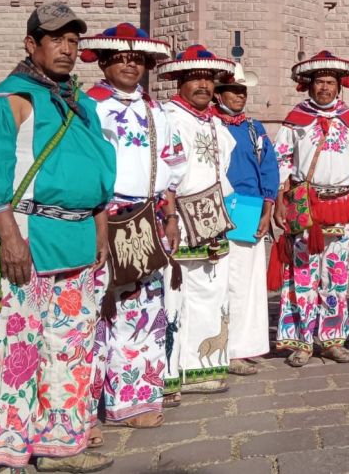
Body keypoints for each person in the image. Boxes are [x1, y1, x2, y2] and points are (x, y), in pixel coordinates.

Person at [0, 2, 116, 473]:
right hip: (30, 239)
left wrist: (101, 229)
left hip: (79, 238)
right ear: (32, 44)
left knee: (71, 345)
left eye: (73, 41)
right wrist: (9, 237)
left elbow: (100, 170)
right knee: (19, 347)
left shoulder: (82, 105)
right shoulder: (11, 98)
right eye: (56, 39)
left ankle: (59, 445)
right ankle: (8, 452)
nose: (67, 49)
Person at [79, 23, 181, 439]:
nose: (129, 65)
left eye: (136, 59)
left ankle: (134, 400)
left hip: (148, 219)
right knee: (96, 313)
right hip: (103, 218)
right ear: (104, 62)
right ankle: (84, 411)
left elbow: (171, 165)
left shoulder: (158, 111)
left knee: (143, 312)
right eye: (120, 58)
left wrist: (171, 216)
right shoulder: (89, 106)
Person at [273, 52, 349, 367]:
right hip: (306, 205)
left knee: (336, 275)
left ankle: (332, 339)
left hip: (340, 205)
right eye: (319, 82)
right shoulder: (295, 120)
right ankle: (302, 341)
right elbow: (281, 160)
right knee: (302, 275)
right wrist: (278, 201)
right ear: (309, 85)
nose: (325, 88)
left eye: (330, 82)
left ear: (339, 86)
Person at [156, 45, 237, 401]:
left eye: (208, 79)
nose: (203, 85)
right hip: (178, 217)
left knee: (210, 291)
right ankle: (168, 373)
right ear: (180, 81)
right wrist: (169, 215)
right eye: (195, 78)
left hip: (212, 217)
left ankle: (200, 369)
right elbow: (164, 173)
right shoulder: (168, 118)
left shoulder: (215, 122)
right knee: (172, 294)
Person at [212, 64, 279, 375]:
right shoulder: (209, 124)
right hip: (215, 210)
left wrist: (267, 210)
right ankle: (216, 347)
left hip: (248, 212)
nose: (239, 96)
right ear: (218, 94)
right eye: (233, 91)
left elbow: (269, 168)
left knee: (245, 283)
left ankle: (239, 347)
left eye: (242, 91)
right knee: (217, 281)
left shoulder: (254, 128)